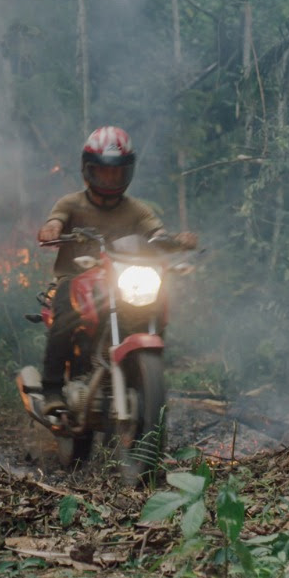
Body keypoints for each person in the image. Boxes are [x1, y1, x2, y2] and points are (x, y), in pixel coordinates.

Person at [36, 125, 196, 416]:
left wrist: (176, 240)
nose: (110, 177)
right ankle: (51, 389)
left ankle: (141, 379)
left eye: (116, 172)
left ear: (127, 172)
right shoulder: (72, 203)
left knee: (154, 306)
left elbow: (156, 232)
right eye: (104, 171)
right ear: (89, 170)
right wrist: (52, 228)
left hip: (118, 278)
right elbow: (57, 219)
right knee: (65, 315)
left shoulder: (136, 209)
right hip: (76, 278)